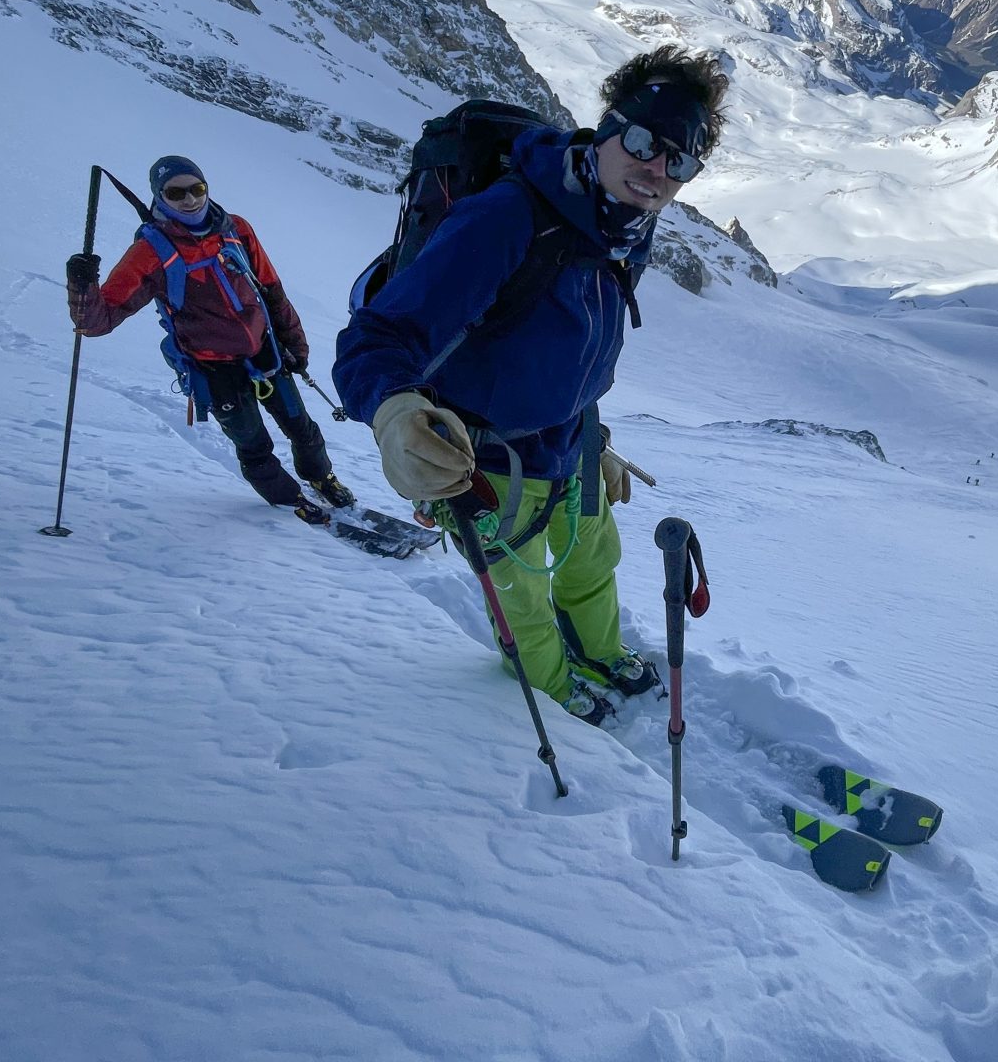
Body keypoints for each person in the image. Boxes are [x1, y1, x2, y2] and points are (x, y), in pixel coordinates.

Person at [334, 47, 729, 724]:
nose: (658, 169)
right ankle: (548, 684)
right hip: (487, 462)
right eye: (645, 142)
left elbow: (569, 348)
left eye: (680, 162)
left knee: (590, 563)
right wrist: (395, 411)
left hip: (569, 443)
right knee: (519, 592)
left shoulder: (626, 228)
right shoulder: (508, 218)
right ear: (608, 129)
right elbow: (374, 339)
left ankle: (600, 651)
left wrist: (594, 435)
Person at [66, 155, 355, 518]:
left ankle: (321, 477)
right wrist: (83, 285)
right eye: (176, 192)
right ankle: (286, 501)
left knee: (303, 427)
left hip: (265, 352)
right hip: (212, 369)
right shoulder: (150, 252)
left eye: (196, 188)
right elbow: (96, 322)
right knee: (253, 442)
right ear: (160, 196)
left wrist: (294, 341)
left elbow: (270, 287)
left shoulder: (236, 229)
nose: (189, 199)